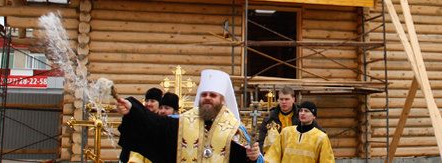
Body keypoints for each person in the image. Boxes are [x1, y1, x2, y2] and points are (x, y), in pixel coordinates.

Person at [117, 69, 262, 163]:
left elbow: (252, 159)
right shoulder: (182, 123)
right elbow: (153, 124)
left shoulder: (235, 130)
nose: (207, 98)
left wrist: (253, 158)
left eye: (213, 95)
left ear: (222, 100)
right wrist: (132, 109)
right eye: (204, 94)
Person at [264, 101, 333, 163]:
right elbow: (273, 156)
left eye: (306, 111)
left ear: (314, 116)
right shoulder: (286, 132)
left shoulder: (321, 137)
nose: (302, 113)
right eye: (301, 111)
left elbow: (327, 160)